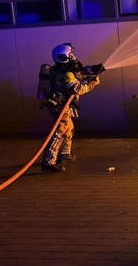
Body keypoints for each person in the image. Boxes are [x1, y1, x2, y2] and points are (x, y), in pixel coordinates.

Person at [40, 43, 105, 172]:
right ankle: (48, 162)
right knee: (59, 133)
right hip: (61, 107)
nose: (73, 57)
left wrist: (94, 69)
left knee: (68, 129)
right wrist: (92, 83)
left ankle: (64, 154)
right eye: (70, 54)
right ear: (64, 57)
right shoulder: (66, 73)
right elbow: (78, 89)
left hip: (62, 106)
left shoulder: (64, 68)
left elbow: (81, 71)